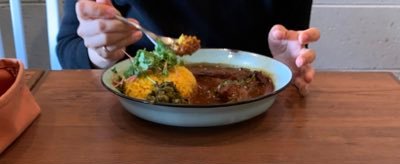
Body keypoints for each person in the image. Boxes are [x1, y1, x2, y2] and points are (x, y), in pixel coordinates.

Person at [57, 0, 320, 95]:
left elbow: (290, 39)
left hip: (252, 123)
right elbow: (69, 47)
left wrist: (284, 63)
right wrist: (99, 53)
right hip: (137, 124)